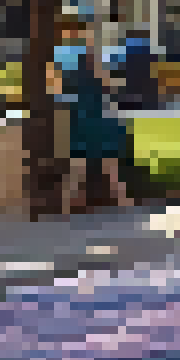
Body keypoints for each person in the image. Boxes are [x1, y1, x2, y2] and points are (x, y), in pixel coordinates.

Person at [53, 14, 131, 212]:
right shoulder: (87, 54)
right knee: (107, 159)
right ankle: (121, 200)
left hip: (80, 112)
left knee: (81, 161)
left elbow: (58, 88)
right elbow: (107, 84)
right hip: (93, 112)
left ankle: (68, 205)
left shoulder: (62, 54)